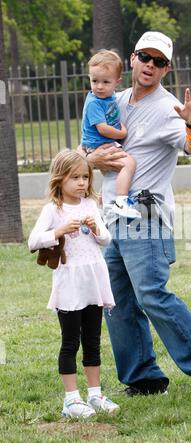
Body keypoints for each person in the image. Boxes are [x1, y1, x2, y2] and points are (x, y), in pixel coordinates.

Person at [85, 31, 191, 398]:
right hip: (110, 217)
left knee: (150, 293)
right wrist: (89, 158)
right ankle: (143, 378)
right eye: (145, 58)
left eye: (159, 61)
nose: (150, 65)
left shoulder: (168, 109)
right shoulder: (111, 100)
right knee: (115, 301)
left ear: (167, 68)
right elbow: (88, 149)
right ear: (131, 59)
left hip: (145, 217)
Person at [28, 149, 119, 418]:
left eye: (85, 177)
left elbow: (106, 239)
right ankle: (71, 400)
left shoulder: (91, 206)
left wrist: (96, 229)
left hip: (93, 282)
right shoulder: (53, 210)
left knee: (93, 340)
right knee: (70, 341)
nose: (82, 183)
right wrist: (58, 231)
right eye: (75, 178)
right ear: (59, 179)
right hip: (70, 283)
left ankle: (94, 395)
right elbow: (33, 241)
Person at [81, 49, 140, 219]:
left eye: (105, 82)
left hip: (104, 142)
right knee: (129, 164)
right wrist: (122, 132)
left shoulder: (110, 97)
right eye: (95, 81)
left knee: (113, 174)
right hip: (100, 144)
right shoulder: (94, 102)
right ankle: (121, 202)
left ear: (116, 82)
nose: (99, 86)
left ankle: (100, 204)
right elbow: (103, 128)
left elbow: (112, 119)